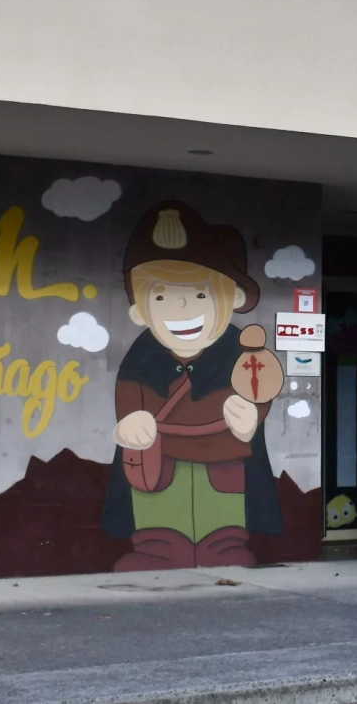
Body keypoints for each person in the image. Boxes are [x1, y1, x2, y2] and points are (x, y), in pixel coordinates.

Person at [101, 201, 283, 569]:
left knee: (224, 517)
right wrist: (132, 421)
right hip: (160, 460)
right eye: (161, 296)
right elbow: (129, 395)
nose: (182, 307)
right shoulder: (142, 354)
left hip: (224, 458)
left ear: (230, 299)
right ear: (139, 310)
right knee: (159, 516)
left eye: (201, 294)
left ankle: (225, 544)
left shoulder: (239, 348)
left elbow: (260, 385)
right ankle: (156, 548)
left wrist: (252, 414)